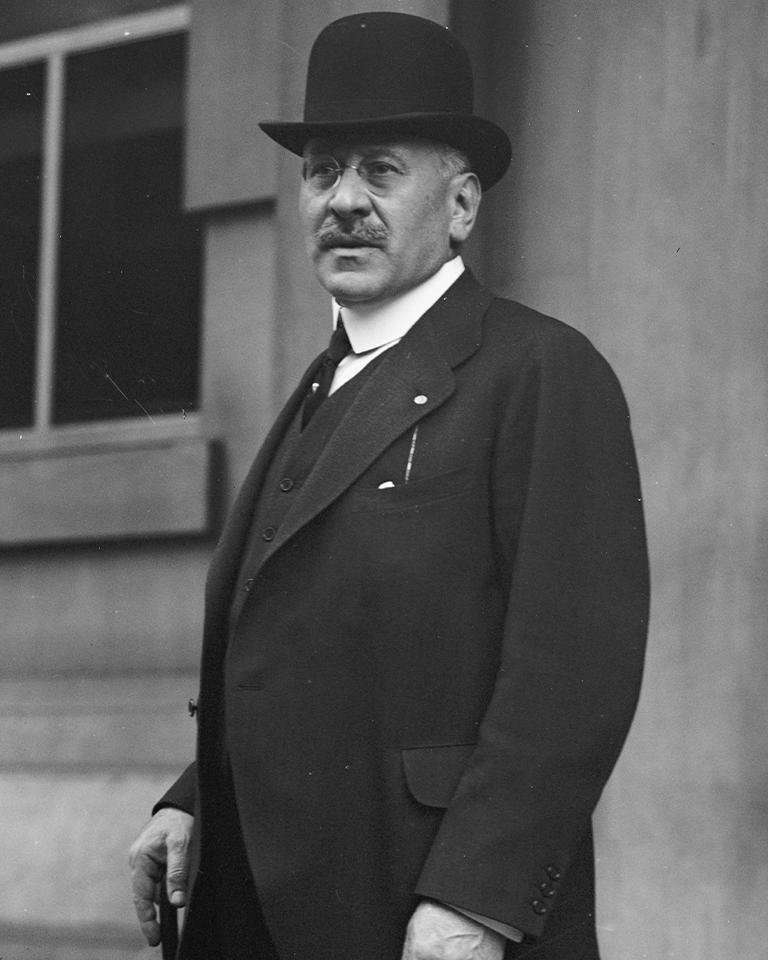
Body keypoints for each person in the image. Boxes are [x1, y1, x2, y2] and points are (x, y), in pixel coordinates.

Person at [129, 12, 649, 960]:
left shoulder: (538, 372)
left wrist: (479, 902)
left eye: (381, 169)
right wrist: (195, 798)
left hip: (416, 909)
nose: (344, 201)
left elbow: (572, 678)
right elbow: (306, 645)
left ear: (460, 206)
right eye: (323, 171)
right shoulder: (327, 381)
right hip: (258, 904)